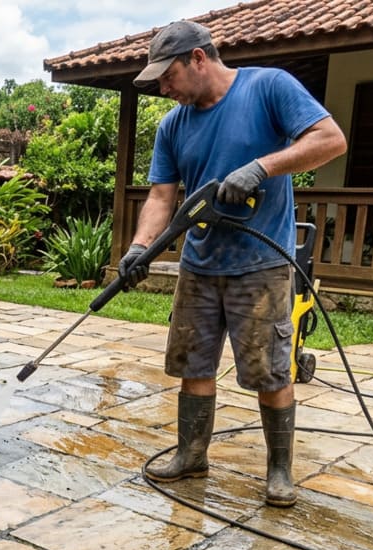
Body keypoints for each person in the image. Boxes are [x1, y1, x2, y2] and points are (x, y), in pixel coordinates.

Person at [119, 20, 347, 507]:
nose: (163, 88)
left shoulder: (268, 87)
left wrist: (262, 166)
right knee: (192, 365)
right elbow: (162, 195)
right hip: (199, 265)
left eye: (168, 76)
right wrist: (140, 247)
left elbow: (331, 140)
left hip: (261, 264)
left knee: (269, 372)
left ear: (199, 59)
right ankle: (191, 455)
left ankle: (279, 472)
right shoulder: (172, 125)